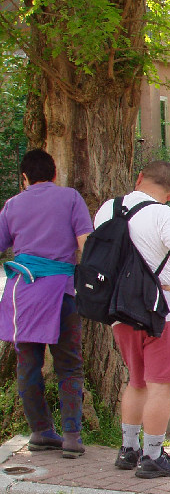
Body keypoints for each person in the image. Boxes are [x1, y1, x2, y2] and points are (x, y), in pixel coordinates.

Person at [96, 161, 170, 478]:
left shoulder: (107, 209)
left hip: (122, 312)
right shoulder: (165, 215)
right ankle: (153, 455)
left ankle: (128, 450)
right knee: (159, 388)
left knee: (136, 382)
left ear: (139, 178)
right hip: (163, 313)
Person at [0, 149, 92, 459]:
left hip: (22, 297)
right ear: (55, 174)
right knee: (69, 365)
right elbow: (86, 245)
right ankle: (71, 437)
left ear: (24, 178)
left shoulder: (11, 205)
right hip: (63, 293)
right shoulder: (70, 198)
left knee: (28, 367)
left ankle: (40, 431)